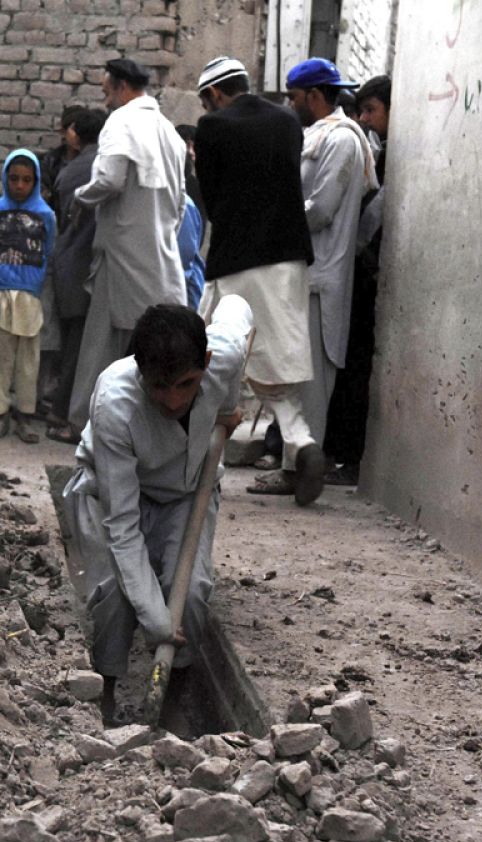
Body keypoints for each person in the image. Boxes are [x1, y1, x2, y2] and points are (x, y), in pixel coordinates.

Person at [64, 297, 253, 726]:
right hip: (109, 491)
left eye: (185, 384)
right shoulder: (116, 403)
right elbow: (123, 527)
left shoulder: (221, 357)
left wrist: (227, 407)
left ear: (205, 361)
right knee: (114, 594)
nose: (172, 401)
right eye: (159, 387)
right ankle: (106, 692)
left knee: (192, 587)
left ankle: (174, 693)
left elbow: (238, 307)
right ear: (138, 369)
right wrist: (155, 619)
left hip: (187, 490)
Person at [192, 56, 326, 505]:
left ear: (213, 95)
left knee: (208, 352)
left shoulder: (211, 130)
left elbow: (210, 199)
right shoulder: (288, 120)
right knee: (273, 363)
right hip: (288, 257)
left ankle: (193, 460)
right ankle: (301, 441)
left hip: (237, 258)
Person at [262, 58, 380, 495]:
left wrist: (272, 218)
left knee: (311, 382)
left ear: (313, 96)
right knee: (295, 375)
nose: (291, 105)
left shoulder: (343, 141)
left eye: (293, 98)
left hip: (321, 276)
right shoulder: (318, 135)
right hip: (303, 273)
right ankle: (294, 468)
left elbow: (321, 209)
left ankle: (300, 474)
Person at [67, 58, 187, 435]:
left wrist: (80, 197)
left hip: (122, 253)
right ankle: (137, 427)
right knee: (151, 344)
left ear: (120, 87)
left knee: (103, 346)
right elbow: (180, 199)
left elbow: (110, 178)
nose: (105, 102)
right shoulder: (168, 129)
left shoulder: (120, 122)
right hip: (160, 254)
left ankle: (88, 424)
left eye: (105, 93)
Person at [322, 73, 390, 485]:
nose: (364, 119)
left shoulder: (386, 156)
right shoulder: (372, 150)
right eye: (361, 111)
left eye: (371, 111)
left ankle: (349, 457)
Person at [0, 150, 58, 443]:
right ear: (6, 178)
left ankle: (24, 415)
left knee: (28, 359)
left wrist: (38, 271)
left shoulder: (45, 215)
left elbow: (50, 248)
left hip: (30, 296)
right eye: (14, 179)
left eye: (27, 180)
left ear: (35, 182)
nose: (20, 185)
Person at [46, 107, 108, 444]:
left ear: (75, 134)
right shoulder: (98, 167)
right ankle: (63, 409)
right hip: (84, 264)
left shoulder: (74, 169)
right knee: (78, 346)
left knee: (71, 342)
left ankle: (58, 406)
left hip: (69, 261)